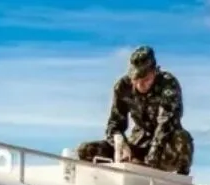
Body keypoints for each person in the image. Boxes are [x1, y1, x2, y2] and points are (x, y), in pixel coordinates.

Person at [76, 46, 194, 175]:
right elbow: (114, 125)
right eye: (135, 80)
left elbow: (165, 125)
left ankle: (179, 181)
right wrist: (122, 146)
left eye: (145, 80)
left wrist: (150, 161)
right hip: (137, 145)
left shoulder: (168, 84)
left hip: (165, 148)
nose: (139, 85)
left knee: (182, 139)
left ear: (154, 72)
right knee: (86, 150)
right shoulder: (122, 87)